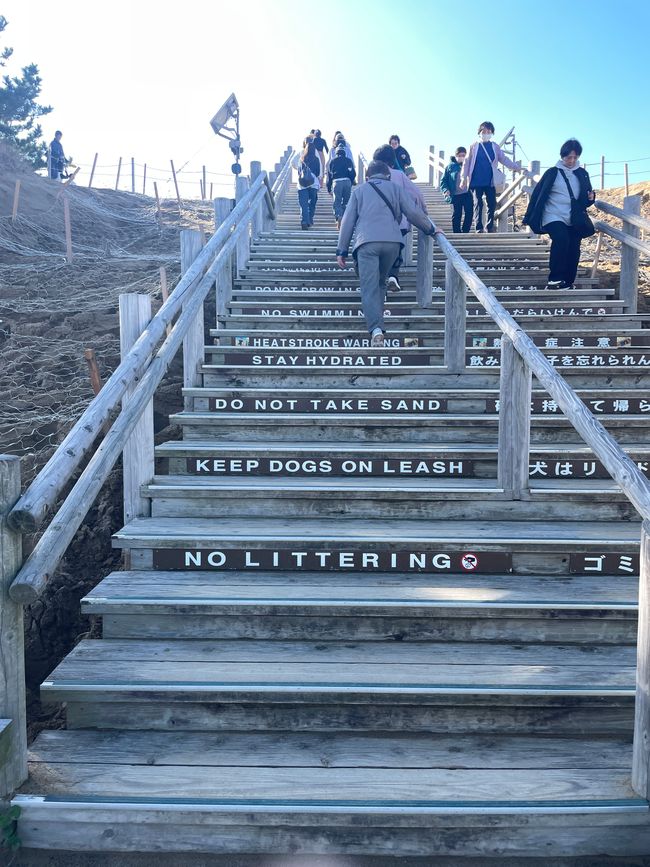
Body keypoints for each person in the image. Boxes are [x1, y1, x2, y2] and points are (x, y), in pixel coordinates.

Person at [336, 160, 444, 347]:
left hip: (366, 243)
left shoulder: (359, 191)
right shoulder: (396, 188)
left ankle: (376, 329)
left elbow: (347, 221)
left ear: (367, 176)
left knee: (369, 286)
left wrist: (342, 250)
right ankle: (377, 318)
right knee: (380, 281)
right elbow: (413, 212)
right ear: (388, 174)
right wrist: (431, 228)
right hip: (393, 243)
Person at [522, 138, 596, 290]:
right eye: (569, 157)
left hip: (574, 217)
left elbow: (585, 200)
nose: (572, 160)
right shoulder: (552, 173)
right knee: (561, 239)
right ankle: (555, 279)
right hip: (553, 215)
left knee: (574, 246)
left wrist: (591, 199)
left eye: (575, 157)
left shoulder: (582, 174)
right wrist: (528, 216)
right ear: (562, 156)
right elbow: (538, 194)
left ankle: (568, 281)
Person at [373, 144, 429, 292]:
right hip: (399, 223)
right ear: (392, 160)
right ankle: (393, 276)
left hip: (377, 223)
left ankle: (380, 283)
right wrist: (424, 212)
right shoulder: (399, 175)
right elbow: (417, 194)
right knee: (396, 250)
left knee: (379, 253)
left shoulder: (370, 179)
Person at [461, 121, 523, 233]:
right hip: (476, 180)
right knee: (478, 203)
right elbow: (467, 162)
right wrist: (463, 178)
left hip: (490, 180)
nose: (486, 133)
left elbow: (503, 159)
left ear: (492, 133)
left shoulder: (494, 146)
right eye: (483, 131)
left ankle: (489, 227)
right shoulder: (474, 146)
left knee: (492, 203)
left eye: (489, 132)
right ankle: (479, 227)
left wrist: (516, 167)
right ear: (479, 132)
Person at [440, 147, 473, 233]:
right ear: (456, 156)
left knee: (469, 213)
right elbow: (443, 180)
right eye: (459, 155)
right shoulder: (450, 167)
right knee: (457, 214)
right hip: (456, 194)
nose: (461, 157)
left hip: (467, 193)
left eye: (463, 155)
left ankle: (466, 231)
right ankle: (457, 232)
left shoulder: (469, 165)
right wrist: (445, 190)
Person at [293, 135, 322, 229]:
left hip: (302, 184)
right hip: (313, 184)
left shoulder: (301, 159)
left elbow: (298, 171)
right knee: (312, 202)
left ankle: (304, 221)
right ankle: (310, 218)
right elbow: (318, 172)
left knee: (303, 203)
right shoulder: (316, 159)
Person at [327, 144, 356, 227]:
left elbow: (329, 176)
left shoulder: (332, 161)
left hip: (337, 182)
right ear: (344, 152)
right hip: (347, 182)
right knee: (346, 202)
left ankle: (338, 216)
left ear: (336, 152)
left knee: (337, 201)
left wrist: (329, 188)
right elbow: (353, 173)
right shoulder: (348, 161)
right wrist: (351, 181)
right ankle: (345, 218)